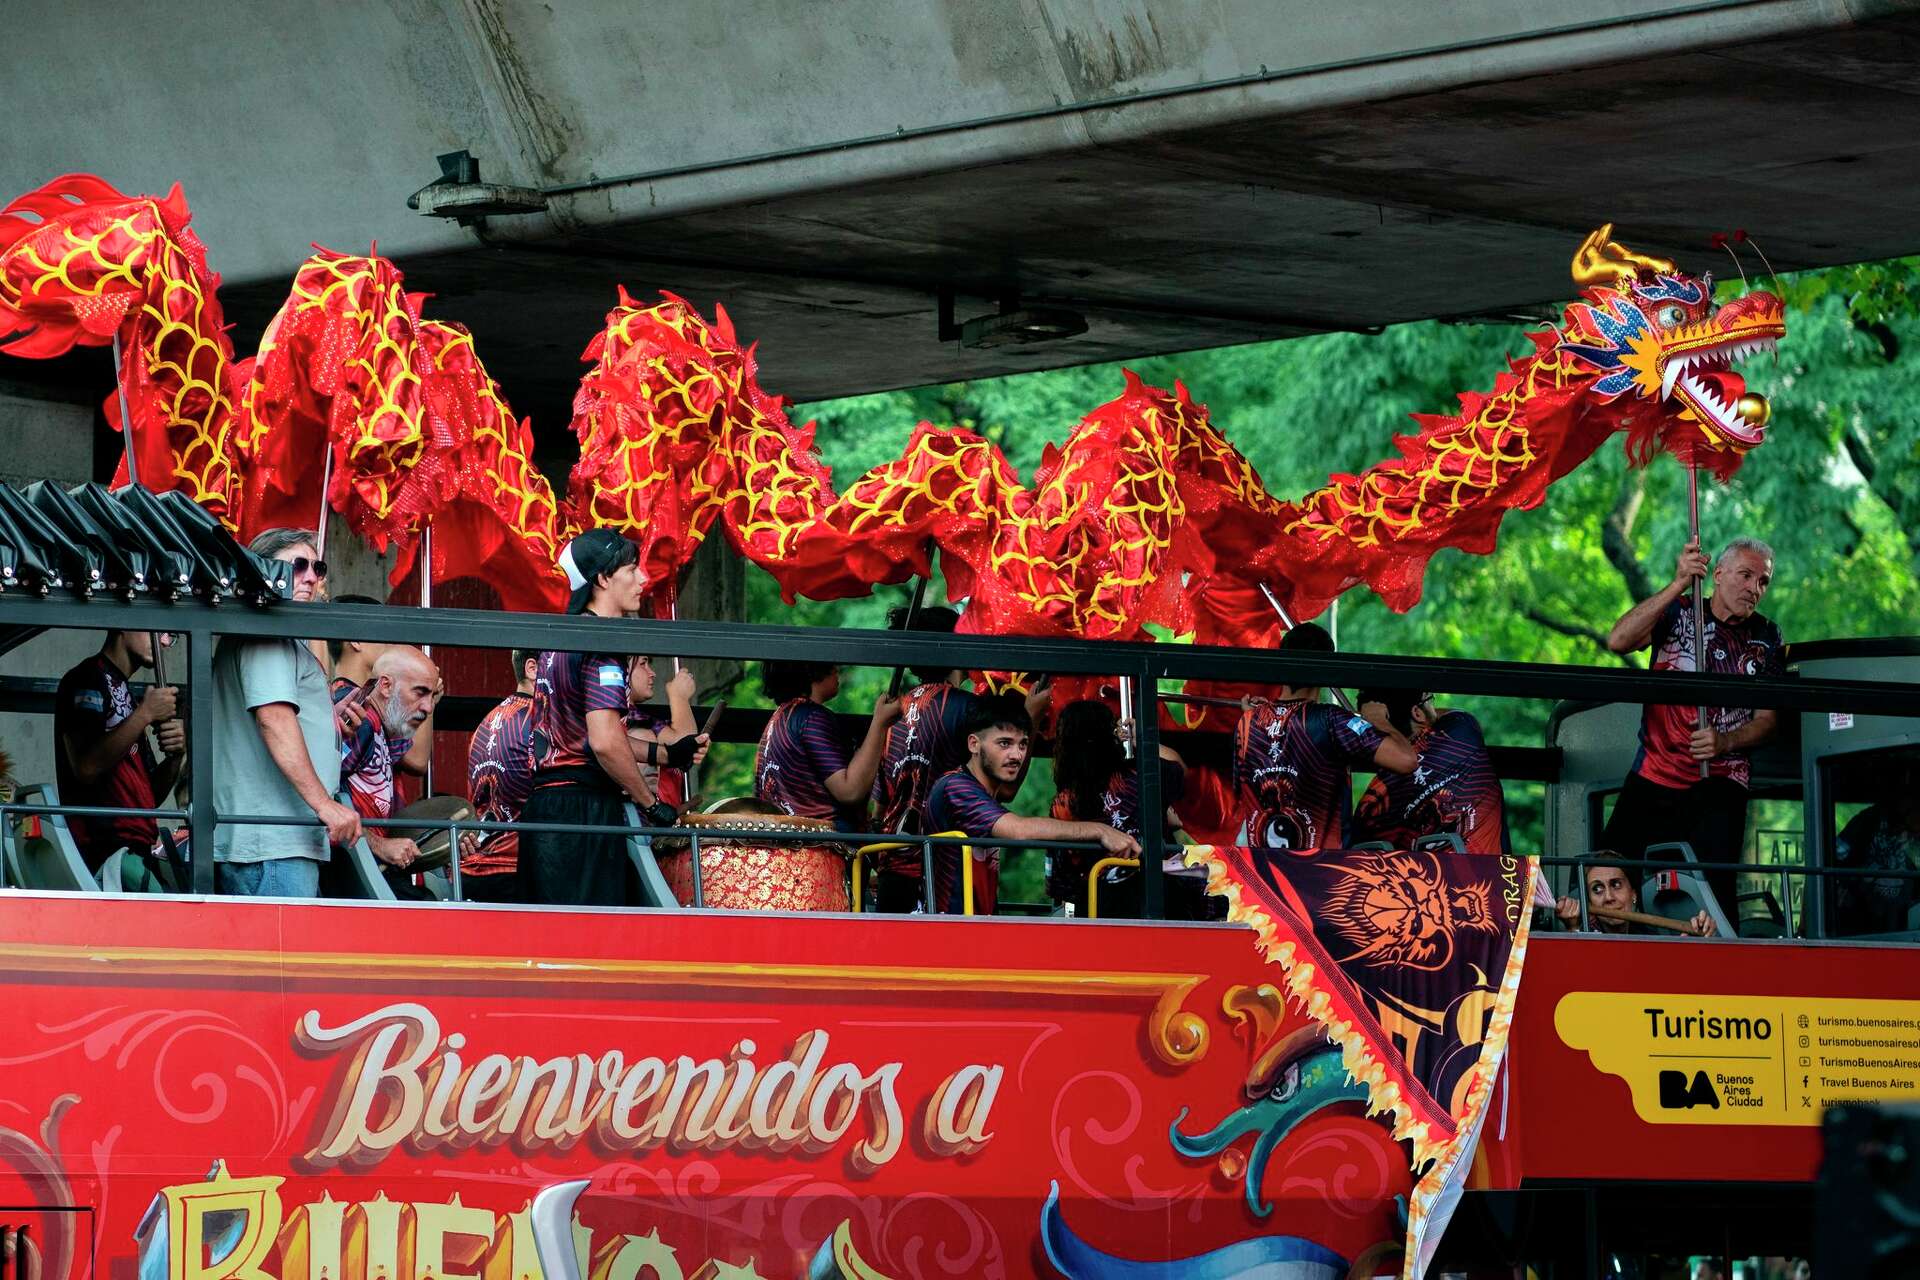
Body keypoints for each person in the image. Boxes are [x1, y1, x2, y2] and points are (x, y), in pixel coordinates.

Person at [1602, 537, 1784, 913]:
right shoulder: (1678, 611)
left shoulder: (1768, 636)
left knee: (1713, 892)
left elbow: (1769, 722)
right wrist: (1678, 582)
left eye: (1763, 581)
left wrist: (1726, 741)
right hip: (1655, 770)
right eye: (1746, 575)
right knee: (1607, 872)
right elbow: (1618, 640)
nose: (1754, 588)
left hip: (1720, 778)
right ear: (1717, 574)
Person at [522, 530, 674, 906]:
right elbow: (604, 742)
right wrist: (650, 803)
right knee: (591, 943)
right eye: (632, 569)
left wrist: (667, 753)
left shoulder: (556, 643)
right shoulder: (602, 646)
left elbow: (582, 733)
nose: (643, 579)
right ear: (603, 579)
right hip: (583, 814)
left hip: (544, 811)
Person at [211, 528, 358, 897]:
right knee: (286, 956)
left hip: (274, 844)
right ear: (263, 571)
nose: (311, 576)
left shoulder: (266, 631)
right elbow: (274, 719)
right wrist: (325, 805)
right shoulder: (268, 633)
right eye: (298, 566)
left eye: (318, 567)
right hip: (273, 846)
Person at [925, 696, 1139, 915]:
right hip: (950, 927)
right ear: (974, 744)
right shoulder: (956, 787)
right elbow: (1019, 830)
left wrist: (1139, 743)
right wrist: (1100, 831)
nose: (1016, 755)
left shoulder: (984, 793)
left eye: (1023, 744)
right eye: (1004, 743)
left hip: (973, 926)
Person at [1233, 623, 1417, 852]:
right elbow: (1406, 760)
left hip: (1267, 877)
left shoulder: (1248, 723)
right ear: (1327, 668)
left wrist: (1253, 715)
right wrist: (1378, 718)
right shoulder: (1331, 720)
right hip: (1321, 876)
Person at [1048, 698, 1201, 918]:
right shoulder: (1140, 777)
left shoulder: (1063, 803)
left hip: (1100, 909)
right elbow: (1179, 770)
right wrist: (1141, 740)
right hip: (1160, 900)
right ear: (1109, 735)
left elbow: (1062, 882)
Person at [53, 630, 186, 875]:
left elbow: (150, 797)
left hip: (135, 848)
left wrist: (176, 756)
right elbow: (86, 767)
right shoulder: (87, 678)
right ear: (126, 625)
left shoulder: (128, 693)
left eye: (171, 636)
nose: (165, 642)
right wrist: (145, 715)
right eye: (159, 631)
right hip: (101, 849)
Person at [324, 645, 440, 896]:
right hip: (349, 878)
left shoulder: (384, 726)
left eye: (432, 696)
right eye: (420, 693)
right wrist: (379, 845)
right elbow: (317, 802)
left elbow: (418, 761)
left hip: (373, 872)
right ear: (385, 686)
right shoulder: (359, 721)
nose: (428, 707)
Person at [1352, 687, 1509, 854]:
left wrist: (1378, 721)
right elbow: (1449, 713)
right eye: (1430, 700)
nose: (1433, 706)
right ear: (1417, 713)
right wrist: (1409, 709)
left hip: (1422, 878)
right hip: (1495, 875)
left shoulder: (1372, 802)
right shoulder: (1461, 732)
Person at [754, 660, 900, 832]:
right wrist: (880, 723)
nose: (836, 669)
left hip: (791, 844)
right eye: (830, 664)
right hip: (822, 847)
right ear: (811, 671)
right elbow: (850, 791)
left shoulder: (779, 718)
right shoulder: (811, 717)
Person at [329, 596, 434, 780]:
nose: (393, 643)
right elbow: (417, 760)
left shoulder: (366, 700)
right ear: (356, 641)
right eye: (384, 634)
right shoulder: (351, 704)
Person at [463, 649, 538, 903]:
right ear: (533, 668)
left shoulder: (484, 724)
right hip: (517, 868)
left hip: (474, 869)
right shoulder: (540, 720)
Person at [1829, 751, 1920, 936]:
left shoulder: (1915, 836)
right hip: (1862, 926)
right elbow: (1828, 859)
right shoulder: (1867, 821)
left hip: (1906, 928)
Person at [624, 654, 709, 813]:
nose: (652, 673)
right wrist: (679, 697)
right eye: (643, 664)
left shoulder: (637, 716)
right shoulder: (623, 714)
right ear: (622, 668)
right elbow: (681, 747)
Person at [1554, 857, 1716, 936]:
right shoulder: (1585, 933)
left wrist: (1702, 934)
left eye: (1616, 884)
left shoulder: (1650, 938)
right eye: (1597, 889)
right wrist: (1573, 929)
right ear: (1589, 901)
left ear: (1634, 894)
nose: (1609, 897)